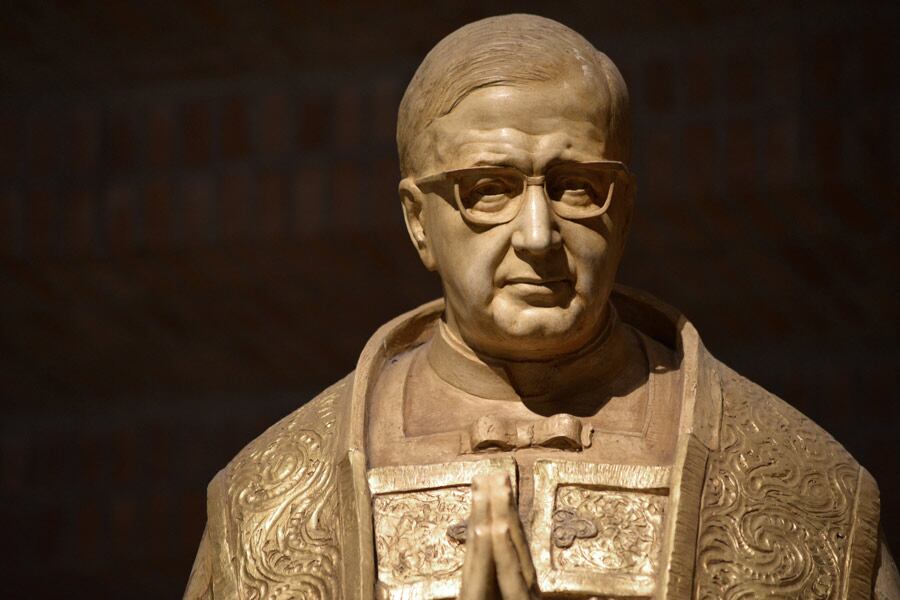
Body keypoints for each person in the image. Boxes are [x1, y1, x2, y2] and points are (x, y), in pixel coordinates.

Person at [185, 14, 898, 600]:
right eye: (488, 188)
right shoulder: (270, 498)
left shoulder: (799, 486)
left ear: (626, 211)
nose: (537, 236)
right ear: (416, 221)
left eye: (578, 187)